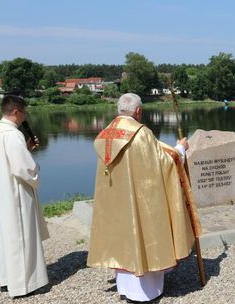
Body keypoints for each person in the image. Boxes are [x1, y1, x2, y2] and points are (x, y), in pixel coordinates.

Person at [87, 93, 200, 303]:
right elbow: (162, 162)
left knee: (124, 238)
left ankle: (126, 288)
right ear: (138, 111)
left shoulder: (105, 134)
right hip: (140, 202)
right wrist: (181, 149)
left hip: (117, 202)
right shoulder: (141, 134)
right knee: (145, 234)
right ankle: (146, 292)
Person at [0, 95, 49, 298]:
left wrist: (26, 150)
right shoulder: (13, 135)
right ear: (16, 112)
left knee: (5, 237)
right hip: (17, 193)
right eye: (24, 112)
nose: (24, 116)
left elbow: (7, 161)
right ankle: (25, 285)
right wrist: (35, 168)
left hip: (0, 192)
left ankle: (8, 280)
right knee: (21, 237)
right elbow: (24, 169)